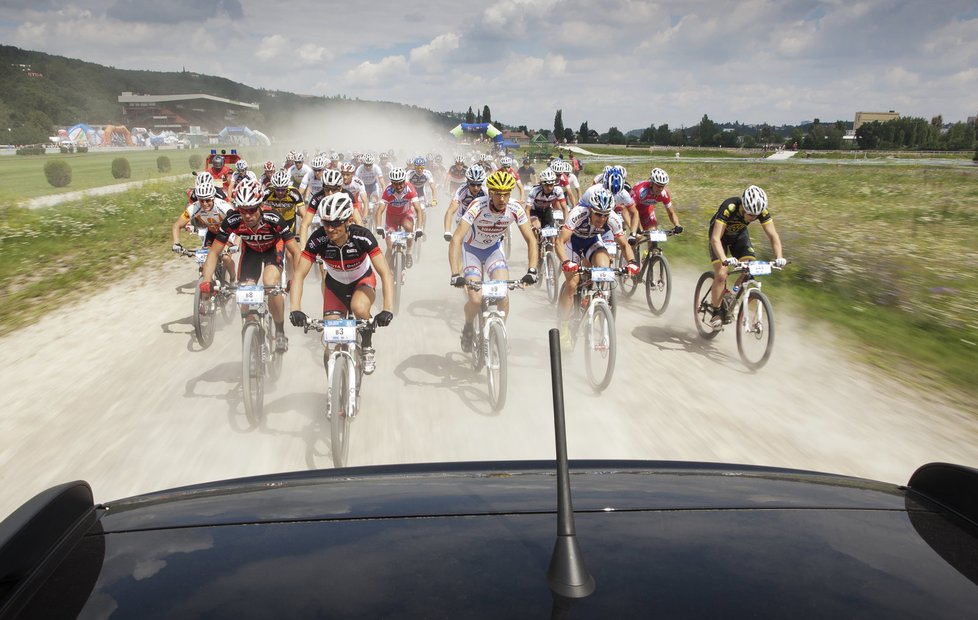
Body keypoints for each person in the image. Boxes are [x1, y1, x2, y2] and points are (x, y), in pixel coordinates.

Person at [289, 193, 395, 375]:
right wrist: (295, 309)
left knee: (359, 308)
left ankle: (367, 347)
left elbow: (385, 273)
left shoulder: (363, 236)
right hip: (335, 286)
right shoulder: (318, 239)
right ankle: (334, 389)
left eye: (336, 223)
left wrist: (387, 309)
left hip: (362, 281)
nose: (330, 229)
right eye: (326, 223)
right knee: (330, 344)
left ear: (348, 221)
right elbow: (299, 275)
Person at [200, 178, 301, 353]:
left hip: (272, 249)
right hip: (251, 252)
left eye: (252, 210)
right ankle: (249, 329)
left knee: (270, 283)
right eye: (243, 210)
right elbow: (214, 252)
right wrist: (207, 280)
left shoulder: (273, 218)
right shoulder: (232, 220)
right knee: (245, 292)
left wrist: (293, 279)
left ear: (261, 205)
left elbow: (296, 252)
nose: (247, 215)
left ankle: (279, 331)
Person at [448, 170, 539, 352]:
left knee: (503, 294)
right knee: (475, 299)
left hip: (493, 251)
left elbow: (531, 239)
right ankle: (468, 327)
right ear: (490, 193)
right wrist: (455, 274)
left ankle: (500, 332)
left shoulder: (515, 208)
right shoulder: (477, 206)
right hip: (472, 251)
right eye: (497, 193)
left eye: (506, 194)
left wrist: (532, 270)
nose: (502, 198)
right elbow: (456, 238)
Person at [554, 187, 639, 348]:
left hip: (592, 242)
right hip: (573, 243)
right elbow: (559, 241)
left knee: (604, 269)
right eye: (598, 214)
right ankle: (563, 326)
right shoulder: (579, 213)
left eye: (605, 215)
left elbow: (624, 244)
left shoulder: (613, 218)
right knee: (572, 284)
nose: (601, 218)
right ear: (590, 210)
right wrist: (566, 262)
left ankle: (595, 298)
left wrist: (632, 262)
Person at [707, 185, 786, 326]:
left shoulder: (761, 211)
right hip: (720, 238)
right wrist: (724, 260)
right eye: (750, 214)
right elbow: (715, 239)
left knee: (749, 271)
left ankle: (732, 298)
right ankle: (716, 311)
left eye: (756, 216)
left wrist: (779, 257)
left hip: (739, 236)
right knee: (722, 274)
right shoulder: (729, 207)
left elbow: (773, 236)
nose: (753, 218)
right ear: (743, 206)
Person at [171, 177, 236, 286]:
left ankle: (233, 279)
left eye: (208, 200)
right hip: (211, 233)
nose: (205, 203)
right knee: (206, 255)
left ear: (213, 198)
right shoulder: (194, 207)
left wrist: (235, 244)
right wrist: (176, 243)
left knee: (225, 257)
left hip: (227, 232)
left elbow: (236, 219)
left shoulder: (221, 205)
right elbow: (177, 225)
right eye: (201, 200)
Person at [375, 167, 423, 268]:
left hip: (405, 215)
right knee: (389, 246)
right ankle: (387, 271)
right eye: (395, 183)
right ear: (392, 183)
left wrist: (419, 228)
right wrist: (379, 227)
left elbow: (418, 210)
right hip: (391, 218)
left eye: (401, 183)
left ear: (404, 181)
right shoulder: (388, 191)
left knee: (409, 227)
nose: (399, 186)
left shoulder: (410, 189)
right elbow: (379, 210)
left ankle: (409, 252)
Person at [629, 167, 682, 238]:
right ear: (651, 183)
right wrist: (637, 227)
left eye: (662, 186)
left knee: (654, 234)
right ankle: (629, 248)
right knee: (638, 236)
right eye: (658, 185)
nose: (660, 189)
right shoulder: (641, 191)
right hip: (633, 211)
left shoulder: (664, 194)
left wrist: (677, 225)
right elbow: (630, 209)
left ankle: (652, 249)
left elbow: (671, 213)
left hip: (646, 210)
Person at [443, 164, 487, 240]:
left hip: (480, 218)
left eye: (478, 184)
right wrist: (447, 231)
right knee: (460, 240)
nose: (475, 188)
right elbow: (450, 211)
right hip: (463, 217)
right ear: (467, 182)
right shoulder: (462, 190)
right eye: (472, 184)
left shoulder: (486, 191)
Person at [525, 167, 568, 233]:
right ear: (541, 184)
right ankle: (535, 242)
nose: (549, 188)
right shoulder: (534, 191)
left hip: (547, 210)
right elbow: (527, 209)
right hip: (534, 211)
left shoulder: (558, 190)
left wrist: (565, 224)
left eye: (551, 185)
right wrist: (529, 225)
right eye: (546, 185)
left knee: (553, 232)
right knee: (537, 226)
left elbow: (564, 208)